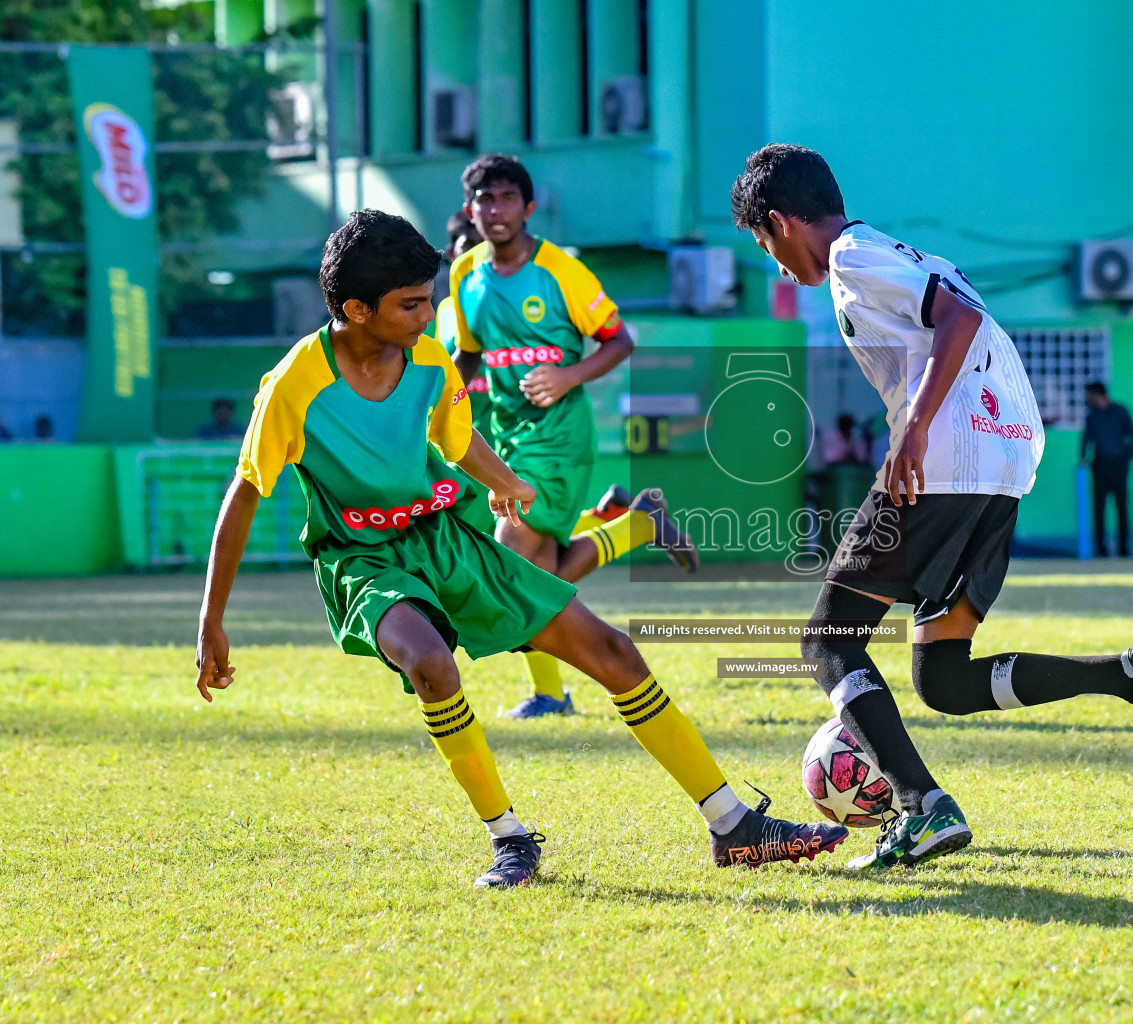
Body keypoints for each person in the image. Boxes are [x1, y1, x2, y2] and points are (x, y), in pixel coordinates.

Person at [194, 210, 845, 888]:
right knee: (431, 664)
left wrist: (505, 483)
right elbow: (244, 495)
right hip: (362, 560)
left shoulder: (426, 356)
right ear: (357, 310)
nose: (428, 315)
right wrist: (212, 621)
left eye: (429, 298)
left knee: (614, 652)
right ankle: (510, 841)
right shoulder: (294, 384)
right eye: (412, 304)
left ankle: (732, 824)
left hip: (445, 539)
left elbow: (456, 439)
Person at [732, 144, 1133, 871]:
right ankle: (1129, 675)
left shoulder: (853, 256)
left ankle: (923, 808)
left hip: (946, 461)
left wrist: (913, 429)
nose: (778, 264)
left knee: (828, 642)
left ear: (781, 221)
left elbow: (959, 322)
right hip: (1003, 463)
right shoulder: (895, 251)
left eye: (765, 244)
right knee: (942, 678)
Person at [449, 155, 697, 720]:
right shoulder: (465, 276)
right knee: (536, 579)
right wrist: (441, 412)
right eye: (485, 199)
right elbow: (465, 358)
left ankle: (559, 690)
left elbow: (619, 339)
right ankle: (637, 525)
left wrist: (568, 375)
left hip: (559, 440)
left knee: (513, 575)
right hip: (505, 437)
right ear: (471, 210)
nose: (496, 209)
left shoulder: (562, 270)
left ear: (529, 207)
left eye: (508, 197)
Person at [1079, 381, 1133, 557]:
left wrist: (1128, 458)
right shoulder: (1092, 416)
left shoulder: (1120, 411)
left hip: (1119, 465)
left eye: (1089, 396)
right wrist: (1083, 459)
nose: (1087, 400)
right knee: (1099, 508)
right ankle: (1101, 547)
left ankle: (1123, 547)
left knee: (1121, 507)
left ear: (1098, 395)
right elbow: (1085, 441)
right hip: (1099, 465)